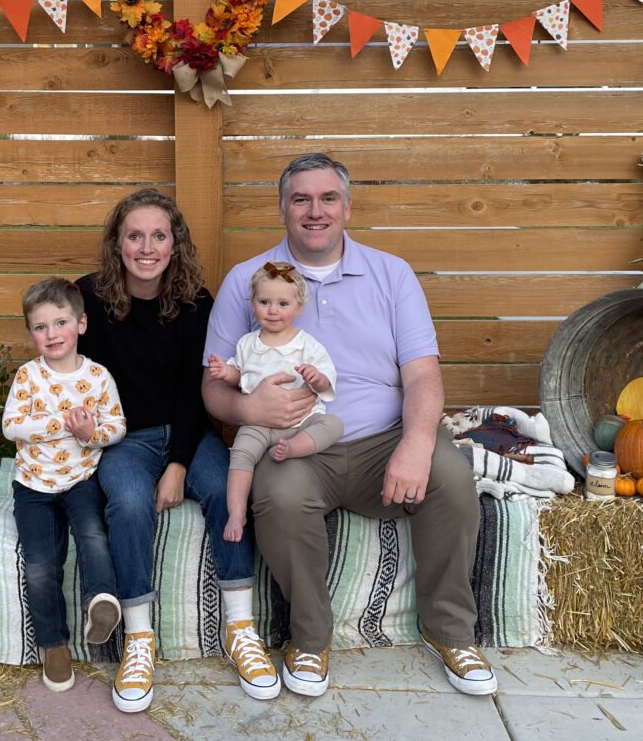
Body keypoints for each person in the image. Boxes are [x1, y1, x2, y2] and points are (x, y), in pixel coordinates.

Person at [202, 153, 498, 698]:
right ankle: (309, 641)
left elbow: (424, 375)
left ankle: (450, 631)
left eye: (327, 198)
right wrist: (248, 411)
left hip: (383, 438)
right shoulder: (246, 281)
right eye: (301, 199)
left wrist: (415, 443)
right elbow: (214, 387)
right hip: (292, 442)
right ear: (283, 208)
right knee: (284, 500)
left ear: (347, 206)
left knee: (452, 479)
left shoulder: (392, 273)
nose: (315, 211)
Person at [77, 188, 280, 713]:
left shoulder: (195, 302)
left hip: (188, 433)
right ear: (117, 243)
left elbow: (198, 392)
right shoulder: (89, 301)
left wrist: (178, 464)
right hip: (123, 439)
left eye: (159, 235)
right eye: (135, 235)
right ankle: (138, 639)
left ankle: (241, 628)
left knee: (225, 487)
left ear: (175, 243)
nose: (147, 247)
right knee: (126, 501)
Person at [3, 277, 126, 693]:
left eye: (60, 323)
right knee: (41, 565)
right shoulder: (27, 377)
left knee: (93, 535)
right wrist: (62, 424)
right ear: (31, 333)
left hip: (80, 479)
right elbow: (11, 426)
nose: (51, 334)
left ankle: (102, 601)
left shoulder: (98, 376)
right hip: (33, 485)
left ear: (82, 324)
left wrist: (92, 434)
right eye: (40, 327)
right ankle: (53, 646)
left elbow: (118, 426)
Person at [206, 261, 343, 543]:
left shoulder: (306, 344)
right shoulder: (247, 343)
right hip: (259, 423)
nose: (273, 310)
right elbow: (239, 374)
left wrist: (315, 377)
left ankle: (295, 448)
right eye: (264, 301)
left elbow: (327, 379)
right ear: (252, 304)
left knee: (333, 424)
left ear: (299, 307)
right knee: (241, 452)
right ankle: (236, 512)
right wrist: (225, 372)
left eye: (283, 303)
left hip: (302, 421)